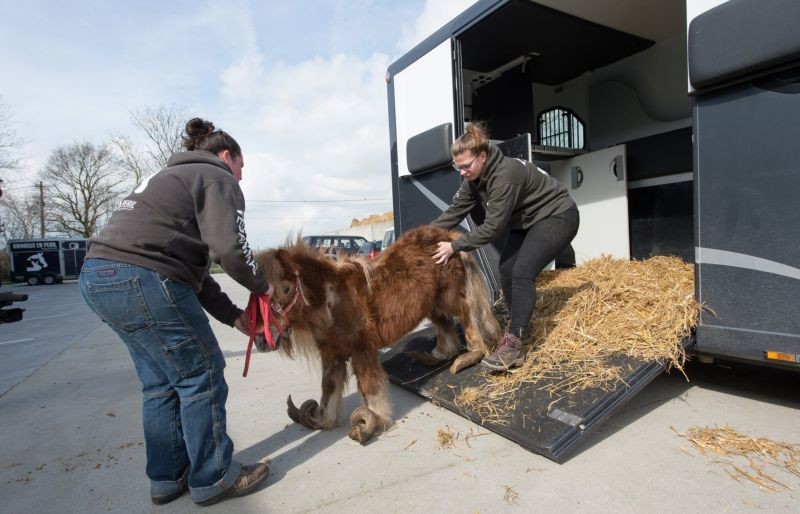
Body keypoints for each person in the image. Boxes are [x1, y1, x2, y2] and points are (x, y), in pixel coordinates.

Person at [79, 118, 270, 506]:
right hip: (144, 278)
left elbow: (193, 273)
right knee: (202, 374)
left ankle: (168, 478)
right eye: (241, 168)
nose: (240, 178)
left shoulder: (170, 179)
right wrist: (262, 286)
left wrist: (235, 315)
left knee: (161, 383)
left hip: (99, 276)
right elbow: (231, 251)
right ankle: (214, 476)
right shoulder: (215, 177)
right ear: (226, 156)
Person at [431, 121, 580, 371]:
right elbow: (454, 212)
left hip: (557, 215)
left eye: (466, 166)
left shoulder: (505, 176)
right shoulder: (473, 181)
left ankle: (514, 344)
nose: (462, 172)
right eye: (458, 167)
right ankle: (521, 326)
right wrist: (423, 236)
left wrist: (454, 247)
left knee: (522, 272)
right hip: (528, 221)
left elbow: (492, 228)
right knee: (507, 270)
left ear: (482, 156)